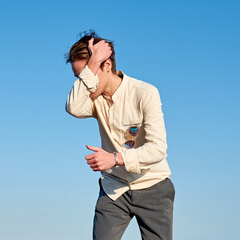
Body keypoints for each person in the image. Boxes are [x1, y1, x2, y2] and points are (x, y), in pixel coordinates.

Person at [65, 30, 175, 240]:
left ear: (107, 65)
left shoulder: (145, 93)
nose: (86, 82)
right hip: (114, 189)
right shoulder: (93, 100)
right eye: (80, 76)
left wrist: (115, 158)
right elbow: (73, 107)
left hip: (153, 185)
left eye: (89, 73)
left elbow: (158, 148)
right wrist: (92, 65)